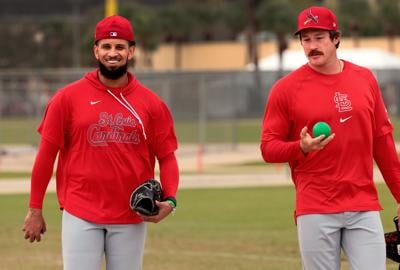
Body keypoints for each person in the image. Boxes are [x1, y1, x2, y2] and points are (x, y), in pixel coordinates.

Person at [22, 15, 179, 270]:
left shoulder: (152, 104)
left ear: (131, 52)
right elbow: (45, 156)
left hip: (131, 215)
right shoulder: (67, 99)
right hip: (80, 211)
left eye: (119, 47)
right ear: (96, 50)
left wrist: (170, 202)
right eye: (106, 46)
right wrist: (35, 209)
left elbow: (168, 157)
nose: (113, 53)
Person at [260, 6, 400, 270]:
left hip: (363, 204)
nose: (312, 45)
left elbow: (382, 141)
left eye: (319, 37)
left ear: (336, 38)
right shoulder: (285, 89)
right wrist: (300, 147)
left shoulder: (365, 78)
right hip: (315, 207)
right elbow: (268, 148)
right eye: (306, 39)